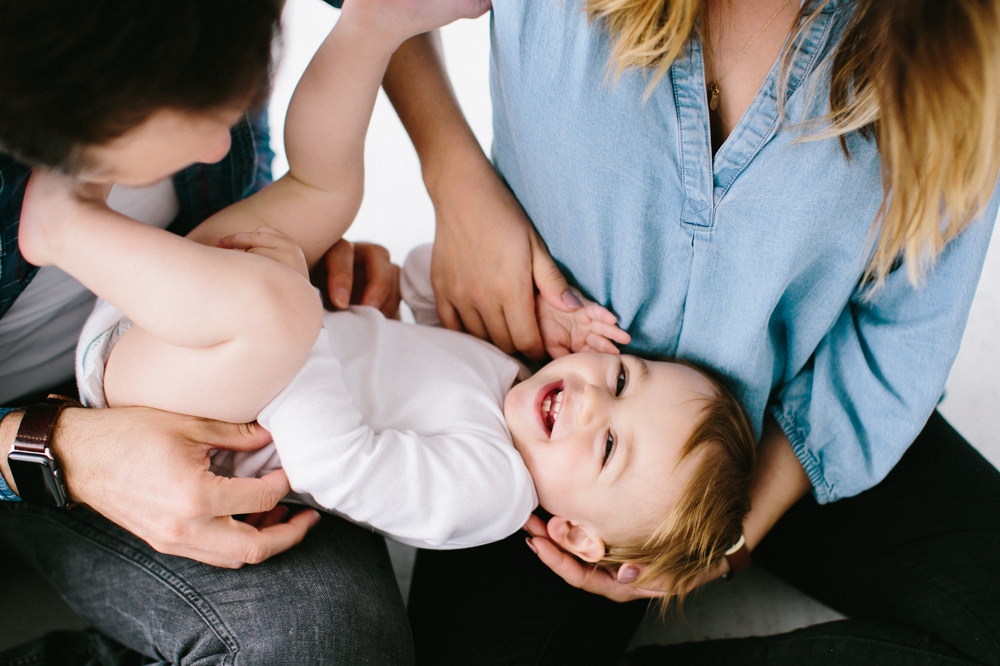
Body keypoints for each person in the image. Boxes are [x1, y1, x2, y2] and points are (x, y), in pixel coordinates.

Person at [400, 0, 1000, 664]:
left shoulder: (969, 35)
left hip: (795, 418)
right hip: (543, 436)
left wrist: (736, 529)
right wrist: (452, 174)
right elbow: (371, 15)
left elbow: (907, 328)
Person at [0, 0, 473, 663]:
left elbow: (314, 180)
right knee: (274, 312)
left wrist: (458, 181)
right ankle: (64, 227)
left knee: (323, 643)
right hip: (72, 398)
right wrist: (58, 449)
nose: (222, 146)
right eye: (195, 117)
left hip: (180, 315)